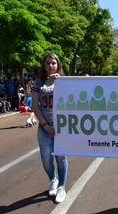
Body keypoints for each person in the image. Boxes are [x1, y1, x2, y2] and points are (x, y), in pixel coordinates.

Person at [32, 53, 68, 203]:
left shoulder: (65, 82)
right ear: (44, 65)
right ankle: (53, 179)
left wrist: (60, 83)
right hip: (44, 125)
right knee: (46, 159)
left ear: (58, 65)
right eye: (48, 63)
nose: (51, 66)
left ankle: (62, 186)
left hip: (62, 125)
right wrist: (46, 125)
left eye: (53, 63)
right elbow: (35, 105)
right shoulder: (38, 83)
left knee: (61, 156)